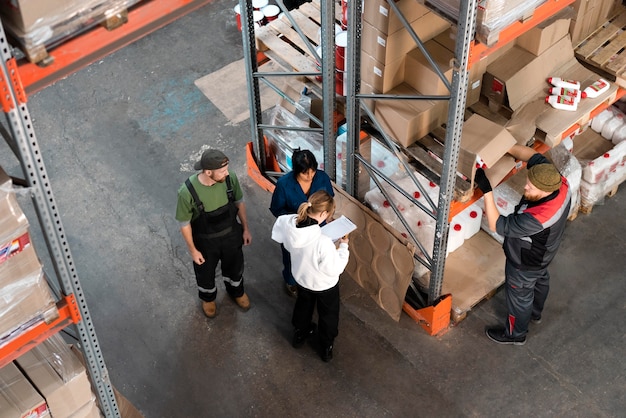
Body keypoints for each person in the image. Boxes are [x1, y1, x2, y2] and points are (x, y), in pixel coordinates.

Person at [474, 144, 571, 345]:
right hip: (543, 254)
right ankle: (535, 314)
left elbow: (496, 224)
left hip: (524, 262)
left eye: (531, 188)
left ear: (544, 192)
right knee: (540, 279)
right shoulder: (557, 181)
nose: (525, 187)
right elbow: (533, 155)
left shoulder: (537, 219)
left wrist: (487, 191)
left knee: (520, 296)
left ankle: (516, 334)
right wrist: (505, 147)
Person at [271, 190, 349, 362]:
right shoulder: (323, 242)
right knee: (328, 315)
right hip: (324, 286)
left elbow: (282, 237)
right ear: (323, 214)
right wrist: (343, 246)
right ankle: (326, 346)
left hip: (302, 279)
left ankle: (300, 333)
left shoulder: (290, 222)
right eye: (328, 214)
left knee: (303, 307)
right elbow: (334, 268)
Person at [176, 149, 252, 318]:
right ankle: (208, 298)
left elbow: (239, 202)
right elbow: (184, 223)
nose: (227, 173)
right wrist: (193, 251)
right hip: (205, 242)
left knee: (235, 266)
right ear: (208, 172)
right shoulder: (187, 191)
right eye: (222, 171)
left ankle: (236, 291)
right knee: (205, 273)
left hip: (231, 235)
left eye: (226, 169)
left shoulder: (230, 178)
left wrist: (245, 228)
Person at [270, 149, 334, 297]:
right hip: (295, 231)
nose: (310, 176)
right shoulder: (284, 184)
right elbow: (277, 209)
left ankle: (312, 281)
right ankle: (291, 282)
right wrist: (296, 220)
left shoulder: (322, 178)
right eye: (305, 173)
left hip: (319, 230)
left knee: (316, 258)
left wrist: (329, 216)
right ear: (296, 171)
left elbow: (329, 199)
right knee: (292, 258)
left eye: (312, 172)